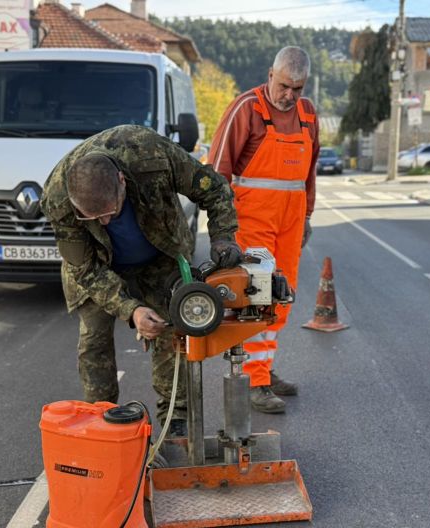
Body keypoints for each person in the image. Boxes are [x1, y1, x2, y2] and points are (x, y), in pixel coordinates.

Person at [41, 125, 241, 434]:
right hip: (98, 266)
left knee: (170, 330)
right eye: (92, 219)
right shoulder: (57, 198)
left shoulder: (152, 154)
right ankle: (104, 422)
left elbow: (214, 189)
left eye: (109, 213)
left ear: (122, 182)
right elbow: (84, 270)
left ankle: (176, 421)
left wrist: (223, 238)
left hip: (159, 253)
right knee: (94, 341)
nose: (104, 223)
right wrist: (130, 310)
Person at [209, 46, 320, 414]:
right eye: (285, 86)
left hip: (290, 221)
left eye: (298, 89)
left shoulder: (308, 115)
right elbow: (216, 172)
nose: (290, 96)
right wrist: (220, 230)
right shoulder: (247, 109)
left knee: (282, 298)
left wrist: (306, 217)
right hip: (251, 220)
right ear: (270, 75)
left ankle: (265, 370)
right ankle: (254, 381)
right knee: (256, 299)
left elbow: (309, 174)